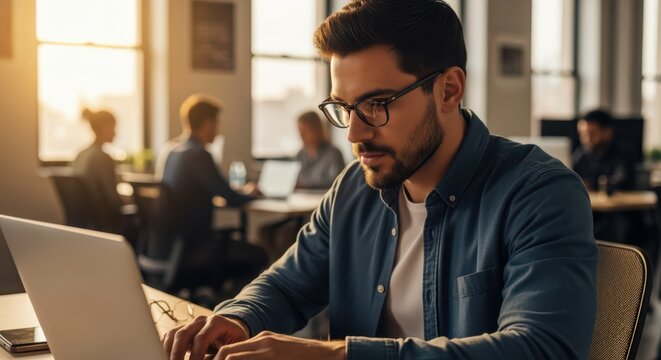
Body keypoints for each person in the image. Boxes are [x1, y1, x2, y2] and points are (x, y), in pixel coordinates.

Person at [163, 1, 597, 359]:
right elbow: (287, 286)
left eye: (377, 104)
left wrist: (334, 356)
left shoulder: (539, 192)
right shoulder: (353, 188)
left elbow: (541, 349)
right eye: (343, 108)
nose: (354, 132)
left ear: (448, 89)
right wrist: (238, 318)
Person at [156, 94, 267, 291]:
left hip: (166, 247)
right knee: (259, 256)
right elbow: (230, 198)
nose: (218, 129)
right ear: (208, 124)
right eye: (217, 123)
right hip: (194, 249)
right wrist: (251, 193)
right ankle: (232, 312)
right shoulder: (199, 154)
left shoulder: (171, 150)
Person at [71, 108, 123, 232]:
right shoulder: (103, 158)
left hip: (84, 222)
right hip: (103, 224)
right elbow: (113, 200)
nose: (116, 133)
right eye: (113, 128)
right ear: (104, 128)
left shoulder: (80, 155)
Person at [572, 109, 635, 192]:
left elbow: (623, 182)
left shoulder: (622, 153)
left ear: (607, 132)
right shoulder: (580, 155)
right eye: (582, 134)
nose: (586, 139)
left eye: (592, 134)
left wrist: (595, 184)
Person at [295, 111, 345, 189]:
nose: (301, 136)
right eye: (300, 131)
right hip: (302, 197)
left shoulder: (334, 153)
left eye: (305, 131)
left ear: (316, 130)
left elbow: (336, 181)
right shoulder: (300, 154)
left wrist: (305, 184)